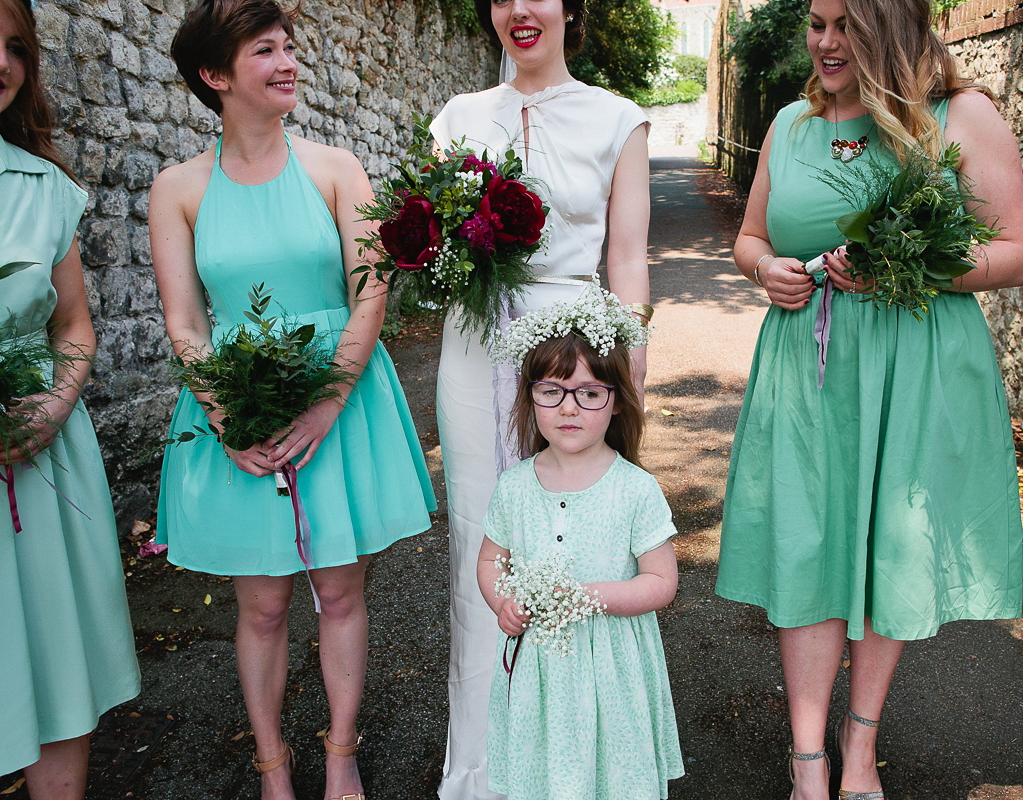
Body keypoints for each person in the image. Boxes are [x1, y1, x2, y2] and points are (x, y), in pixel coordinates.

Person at [714, 0, 1023, 796]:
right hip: (806, 359)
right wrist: (765, 270)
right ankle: (807, 761)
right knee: (805, 542)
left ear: (891, 28)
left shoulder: (958, 118)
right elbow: (751, 236)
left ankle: (860, 750)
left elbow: (1017, 253)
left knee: (892, 547)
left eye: (843, 25)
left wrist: (905, 266)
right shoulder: (791, 123)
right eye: (816, 23)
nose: (822, 42)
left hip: (912, 363)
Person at [150, 1, 435, 798]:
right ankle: (272, 765)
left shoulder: (337, 169)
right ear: (215, 76)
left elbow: (371, 295)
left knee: (342, 593)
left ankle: (341, 750)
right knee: (264, 605)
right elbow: (184, 321)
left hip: (338, 405)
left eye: (289, 47)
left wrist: (327, 404)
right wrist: (227, 417)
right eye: (264, 51)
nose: (288, 64)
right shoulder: (177, 187)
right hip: (239, 413)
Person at [428, 1, 652, 797]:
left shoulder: (618, 120)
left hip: (575, 355)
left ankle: (579, 765)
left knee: (579, 547)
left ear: (569, 9)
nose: (519, 11)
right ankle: (485, 770)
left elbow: (627, 265)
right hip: (476, 345)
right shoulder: (455, 118)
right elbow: (435, 252)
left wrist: (627, 390)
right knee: (480, 551)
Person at [0, 0, 142, 795]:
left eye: (17, 47)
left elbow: (73, 326)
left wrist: (57, 403)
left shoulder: (47, 188)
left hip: (41, 451)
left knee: (64, 669)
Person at [475, 286, 683, 799]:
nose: (570, 408)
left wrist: (587, 596)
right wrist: (502, 600)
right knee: (547, 774)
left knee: (615, 776)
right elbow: (489, 559)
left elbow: (661, 583)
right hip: (538, 672)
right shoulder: (515, 486)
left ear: (615, 402)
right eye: (552, 391)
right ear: (530, 396)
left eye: (589, 393)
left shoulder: (635, 488)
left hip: (612, 669)